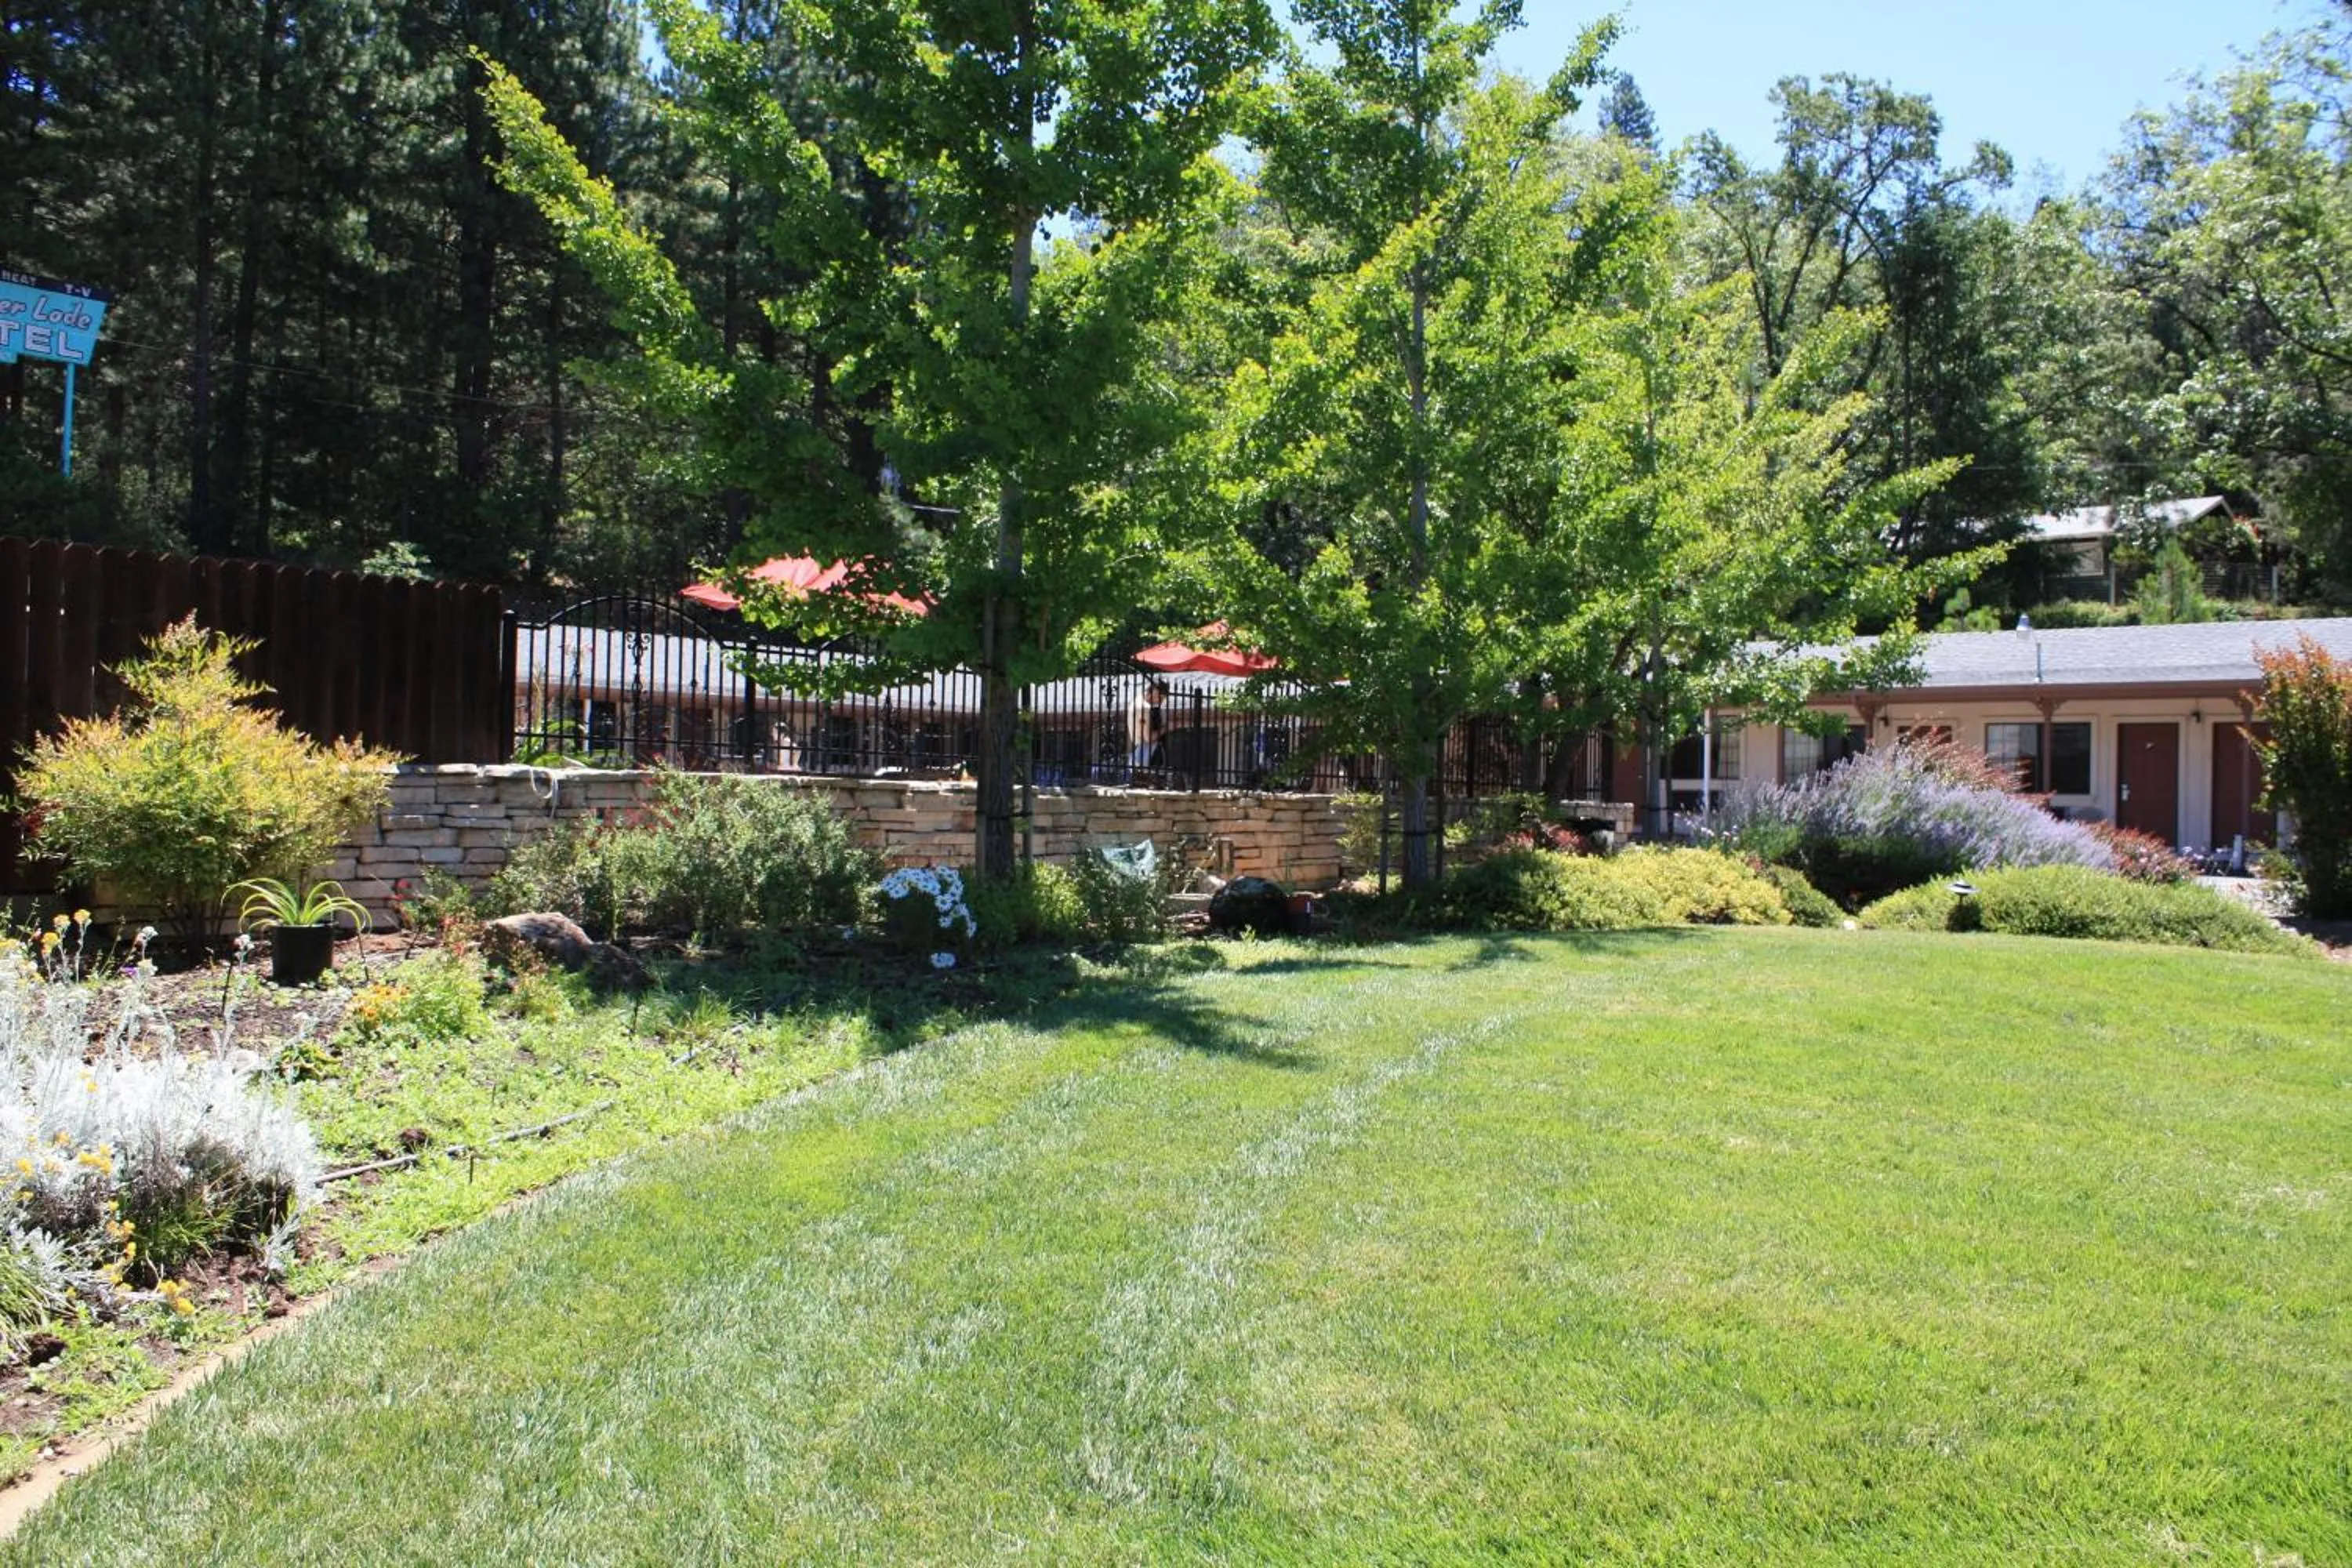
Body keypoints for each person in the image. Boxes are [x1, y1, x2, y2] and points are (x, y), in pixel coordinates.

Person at [1127, 678, 1170, 777]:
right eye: (1161, 697)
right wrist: (1167, 728)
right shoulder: (1144, 708)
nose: (1162, 700)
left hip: (1140, 751)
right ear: (1153, 692)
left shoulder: (1138, 702)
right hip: (1147, 752)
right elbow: (1148, 738)